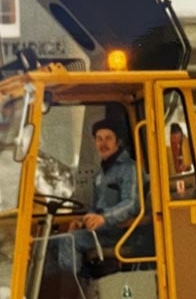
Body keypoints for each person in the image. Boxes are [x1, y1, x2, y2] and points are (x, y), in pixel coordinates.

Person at [56, 118, 140, 275]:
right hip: (101, 231)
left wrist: (104, 218)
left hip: (121, 232)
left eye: (108, 138)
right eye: (99, 139)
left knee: (69, 240)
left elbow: (131, 203)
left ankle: (76, 285)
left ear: (118, 142)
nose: (103, 143)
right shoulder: (99, 174)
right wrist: (83, 222)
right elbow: (96, 207)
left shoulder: (129, 169)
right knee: (51, 243)